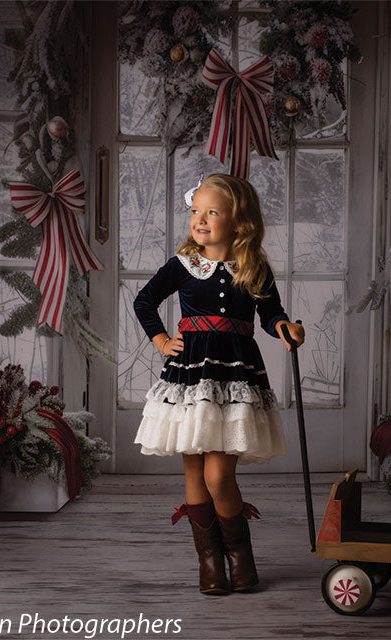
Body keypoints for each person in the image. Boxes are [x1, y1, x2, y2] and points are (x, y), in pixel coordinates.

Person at [133, 173, 306, 595]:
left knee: (218, 475)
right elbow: (144, 300)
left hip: (234, 372)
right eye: (196, 211)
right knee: (194, 467)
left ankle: (240, 556)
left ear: (239, 221)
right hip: (191, 373)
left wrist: (285, 327)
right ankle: (210, 563)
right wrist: (160, 339)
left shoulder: (254, 267)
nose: (200, 220)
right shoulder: (183, 264)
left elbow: (271, 314)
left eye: (212, 212)